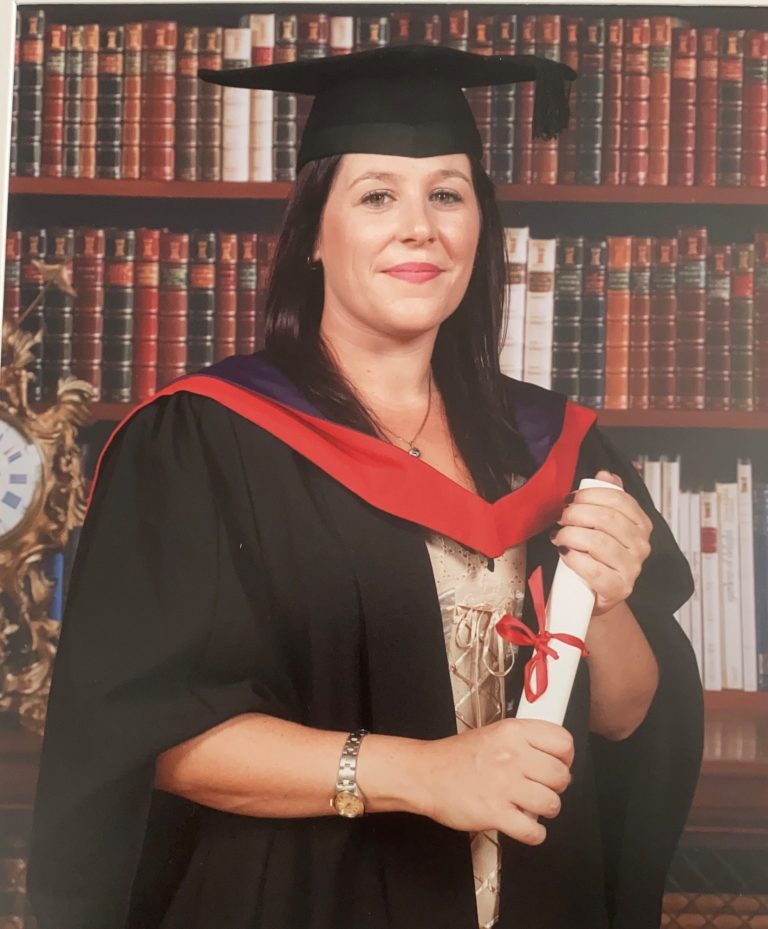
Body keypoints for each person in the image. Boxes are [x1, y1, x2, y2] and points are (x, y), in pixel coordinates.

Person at [26, 45, 703, 929]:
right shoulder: (202, 441)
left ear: (480, 227)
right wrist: (421, 773)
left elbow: (626, 716)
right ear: (313, 232)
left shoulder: (557, 446)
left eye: (447, 194)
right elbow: (142, 736)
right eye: (377, 195)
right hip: (304, 901)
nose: (419, 227)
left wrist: (605, 607)